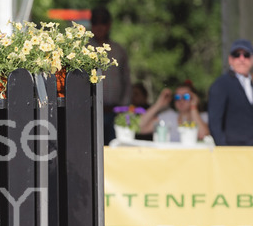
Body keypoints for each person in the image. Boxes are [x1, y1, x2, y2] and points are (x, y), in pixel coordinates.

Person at [90, 7, 131, 145]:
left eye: (103, 22)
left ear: (109, 24)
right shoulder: (84, 49)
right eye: (95, 22)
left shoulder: (118, 50)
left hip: (115, 111)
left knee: (115, 147)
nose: (99, 26)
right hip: (91, 110)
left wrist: (123, 107)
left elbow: (126, 79)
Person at [207, 38, 253, 146]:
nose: (242, 59)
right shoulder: (221, 84)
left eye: (246, 55)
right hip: (233, 151)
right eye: (237, 55)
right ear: (230, 59)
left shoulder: (250, 84)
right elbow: (214, 122)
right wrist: (225, 150)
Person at [138, 81, 210, 142]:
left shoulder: (204, 117)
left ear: (194, 98)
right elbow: (140, 127)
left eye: (186, 96)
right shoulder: (168, 116)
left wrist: (194, 107)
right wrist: (159, 104)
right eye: (177, 97)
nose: (181, 100)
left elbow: (203, 135)